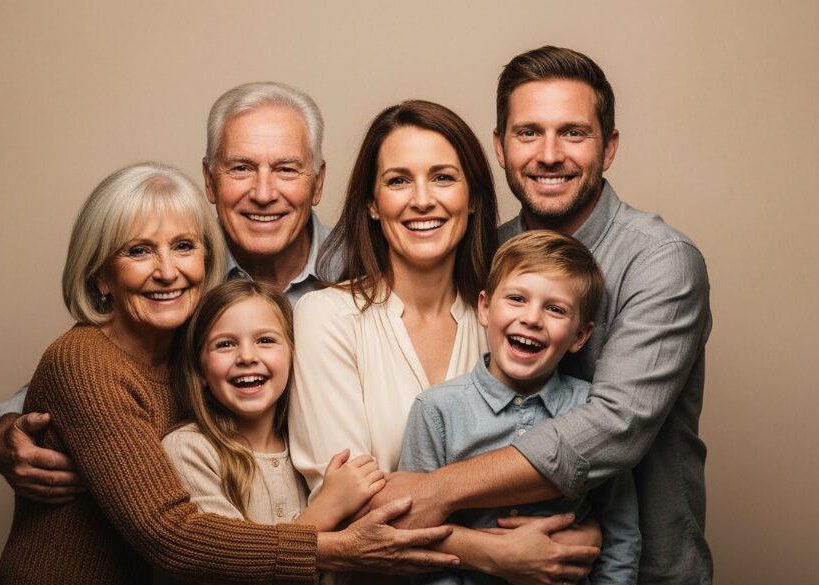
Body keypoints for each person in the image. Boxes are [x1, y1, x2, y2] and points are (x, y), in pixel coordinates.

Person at [0, 162, 459, 584]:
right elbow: (169, 534)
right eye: (138, 251)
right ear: (100, 276)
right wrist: (340, 546)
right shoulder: (85, 360)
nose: (167, 271)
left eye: (183, 247)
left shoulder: (192, 344)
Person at [372, 46, 713, 584]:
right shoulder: (486, 252)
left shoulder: (661, 261)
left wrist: (433, 490)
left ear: (610, 148)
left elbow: (613, 428)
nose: (549, 154)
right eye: (528, 132)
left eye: (574, 133)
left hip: (644, 569)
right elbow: (379, 245)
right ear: (500, 148)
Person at [0, 82, 336, 504]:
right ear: (209, 179)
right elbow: (90, 378)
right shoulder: (179, 280)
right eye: (240, 168)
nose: (263, 193)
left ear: (317, 183)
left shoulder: (366, 271)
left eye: (286, 169)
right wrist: (3, 432)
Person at [398, 231, 640, 585]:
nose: (532, 318)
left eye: (555, 309)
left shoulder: (593, 411)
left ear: (579, 336)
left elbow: (621, 534)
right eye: (516, 298)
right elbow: (420, 530)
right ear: (484, 307)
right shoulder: (436, 411)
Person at [288, 100, 499, 500]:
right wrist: (495, 549)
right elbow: (348, 504)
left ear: (473, 198)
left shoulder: (504, 322)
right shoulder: (326, 317)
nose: (421, 200)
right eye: (398, 181)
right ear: (372, 203)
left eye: (443, 178)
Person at [162, 279, 385, 530]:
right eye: (225, 344)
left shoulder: (309, 448)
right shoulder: (189, 450)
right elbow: (231, 564)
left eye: (265, 340)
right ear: (200, 369)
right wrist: (328, 507)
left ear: (294, 356)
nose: (247, 356)